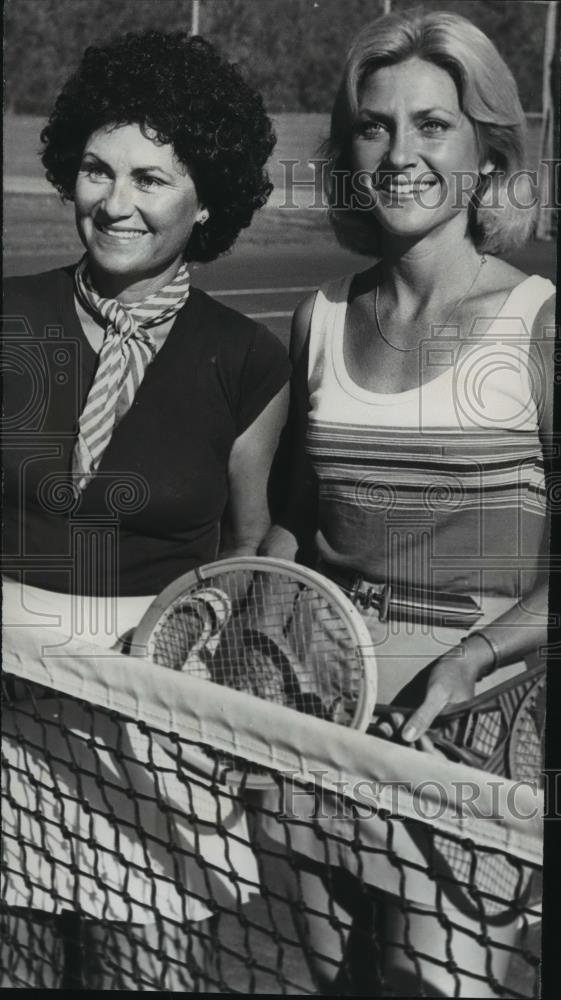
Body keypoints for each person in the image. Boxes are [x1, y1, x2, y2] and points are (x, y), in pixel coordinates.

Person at [262, 10, 554, 997]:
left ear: (488, 151)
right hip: (319, 729)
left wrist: (474, 656)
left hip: (470, 754)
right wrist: (248, 615)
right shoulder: (321, 317)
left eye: (433, 125)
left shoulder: (539, 325)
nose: (402, 154)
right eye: (376, 126)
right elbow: (297, 523)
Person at [2, 30, 289, 990]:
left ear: (205, 197)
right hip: (9, 714)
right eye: (96, 169)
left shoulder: (244, 357)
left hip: (152, 721)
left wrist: (198, 641)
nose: (115, 202)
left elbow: (249, 545)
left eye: (151, 178)